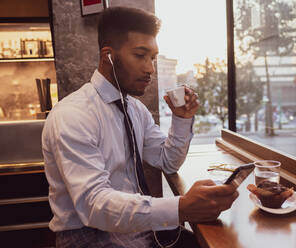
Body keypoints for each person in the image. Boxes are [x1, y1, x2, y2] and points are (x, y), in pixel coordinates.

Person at [42, 6, 238, 248]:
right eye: (140, 55)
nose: (150, 69)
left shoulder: (135, 109)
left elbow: (167, 161)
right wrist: (181, 207)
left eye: (152, 58)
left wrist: (182, 119)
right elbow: (95, 206)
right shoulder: (73, 115)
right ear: (108, 56)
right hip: (87, 237)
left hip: (134, 227)